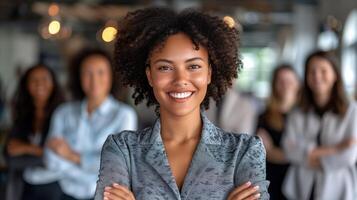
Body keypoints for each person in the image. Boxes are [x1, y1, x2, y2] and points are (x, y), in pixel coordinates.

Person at [95, 7, 269, 200]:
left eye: (193, 66)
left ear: (209, 73)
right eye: (165, 67)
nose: (180, 79)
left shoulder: (244, 152)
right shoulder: (121, 149)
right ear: (149, 75)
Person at [44, 48, 138, 200]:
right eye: (87, 73)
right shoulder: (63, 113)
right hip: (63, 194)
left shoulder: (124, 115)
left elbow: (117, 165)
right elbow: (50, 160)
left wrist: (71, 156)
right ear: (78, 77)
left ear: (111, 77)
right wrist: (92, 166)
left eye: (101, 72)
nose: (94, 79)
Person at [282, 50, 357, 200]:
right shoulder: (298, 111)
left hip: (338, 190)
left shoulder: (352, 111)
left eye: (323, 70)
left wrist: (306, 155)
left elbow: (349, 156)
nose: (317, 76)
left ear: (335, 74)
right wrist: (336, 148)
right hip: (299, 188)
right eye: (311, 71)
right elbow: (289, 149)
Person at [5, 64, 64, 200]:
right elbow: (10, 158)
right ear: (26, 85)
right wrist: (44, 153)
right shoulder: (22, 116)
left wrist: (26, 148)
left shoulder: (64, 115)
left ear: (53, 83)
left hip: (56, 187)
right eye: (33, 80)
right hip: (25, 186)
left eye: (44, 79)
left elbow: (62, 158)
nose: (39, 84)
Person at [256, 64, 300, 200]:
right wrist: (300, 155)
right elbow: (263, 153)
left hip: (299, 181)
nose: (285, 85)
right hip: (273, 182)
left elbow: (306, 154)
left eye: (289, 80)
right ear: (274, 85)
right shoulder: (264, 117)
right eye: (281, 81)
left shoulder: (306, 116)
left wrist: (276, 153)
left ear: (298, 84)